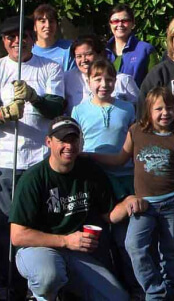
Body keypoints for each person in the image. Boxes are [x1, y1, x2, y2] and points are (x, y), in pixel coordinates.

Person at [9, 116, 148, 301]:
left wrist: (129, 202)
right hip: (38, 249)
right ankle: (40, 295)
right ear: (48, 142)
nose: (69, 145)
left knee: (117, 298)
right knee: (48, 276)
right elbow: (18, 236)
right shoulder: (33, 178)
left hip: (77, 252)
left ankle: (66, 289)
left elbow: (109, 215)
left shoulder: (90, 170)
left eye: (73, 139)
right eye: (62, 140)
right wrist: (65, 241)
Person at [91, 87, 174, 299]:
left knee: (170, 251)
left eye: (170, 108)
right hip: (143, 204)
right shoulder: (136, 131)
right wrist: (89, 156)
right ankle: (155, 291)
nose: (165, 113)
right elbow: (119, 159)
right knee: (133, 246)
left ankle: (168, 291)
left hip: (173, 202)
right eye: (159, 108)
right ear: (148, 111)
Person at [0, 16, 65, 285]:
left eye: (23, 36)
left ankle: (41, 282)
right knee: (7, 228)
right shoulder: (0, 69)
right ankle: (9, 284)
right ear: (4, 41)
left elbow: (57, 106)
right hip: (6, 161)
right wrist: (4, 114)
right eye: (10, 37)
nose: (17, 41)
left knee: (41, 225)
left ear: (31, 38)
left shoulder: (50, 67)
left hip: (40, 160)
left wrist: (34, 97)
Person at [71, 59, 139, 295]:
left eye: (109, 79)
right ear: (88, 81)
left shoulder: (127, 108)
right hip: (95, 181)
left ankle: (133, 287)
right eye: (98, 79)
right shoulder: (79, 110)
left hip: (124, 178)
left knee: (126, 240)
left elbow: (134, 145)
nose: (104, 84)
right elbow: (78, 146)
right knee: (98, 239)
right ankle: (105, 289)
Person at [64, 35, 139, 114]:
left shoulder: (122, 80)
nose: (84, 60)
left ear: (100, 54)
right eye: (79, 56)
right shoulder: (67, 78)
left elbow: (139, 108)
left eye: (89, 54)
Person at [105, 3, 159, 87]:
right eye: (115, 21)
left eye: (125, 21)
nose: (120, 25)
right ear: (110, 24)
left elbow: (156, 84)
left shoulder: (146, 50)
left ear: (133, 24)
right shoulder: (102, 52)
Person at [31, 4, 75, 71]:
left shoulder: (68, 48)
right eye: (43, 21)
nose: (47, 25)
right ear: (34, 26)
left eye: (51, 21)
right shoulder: (28, 50)